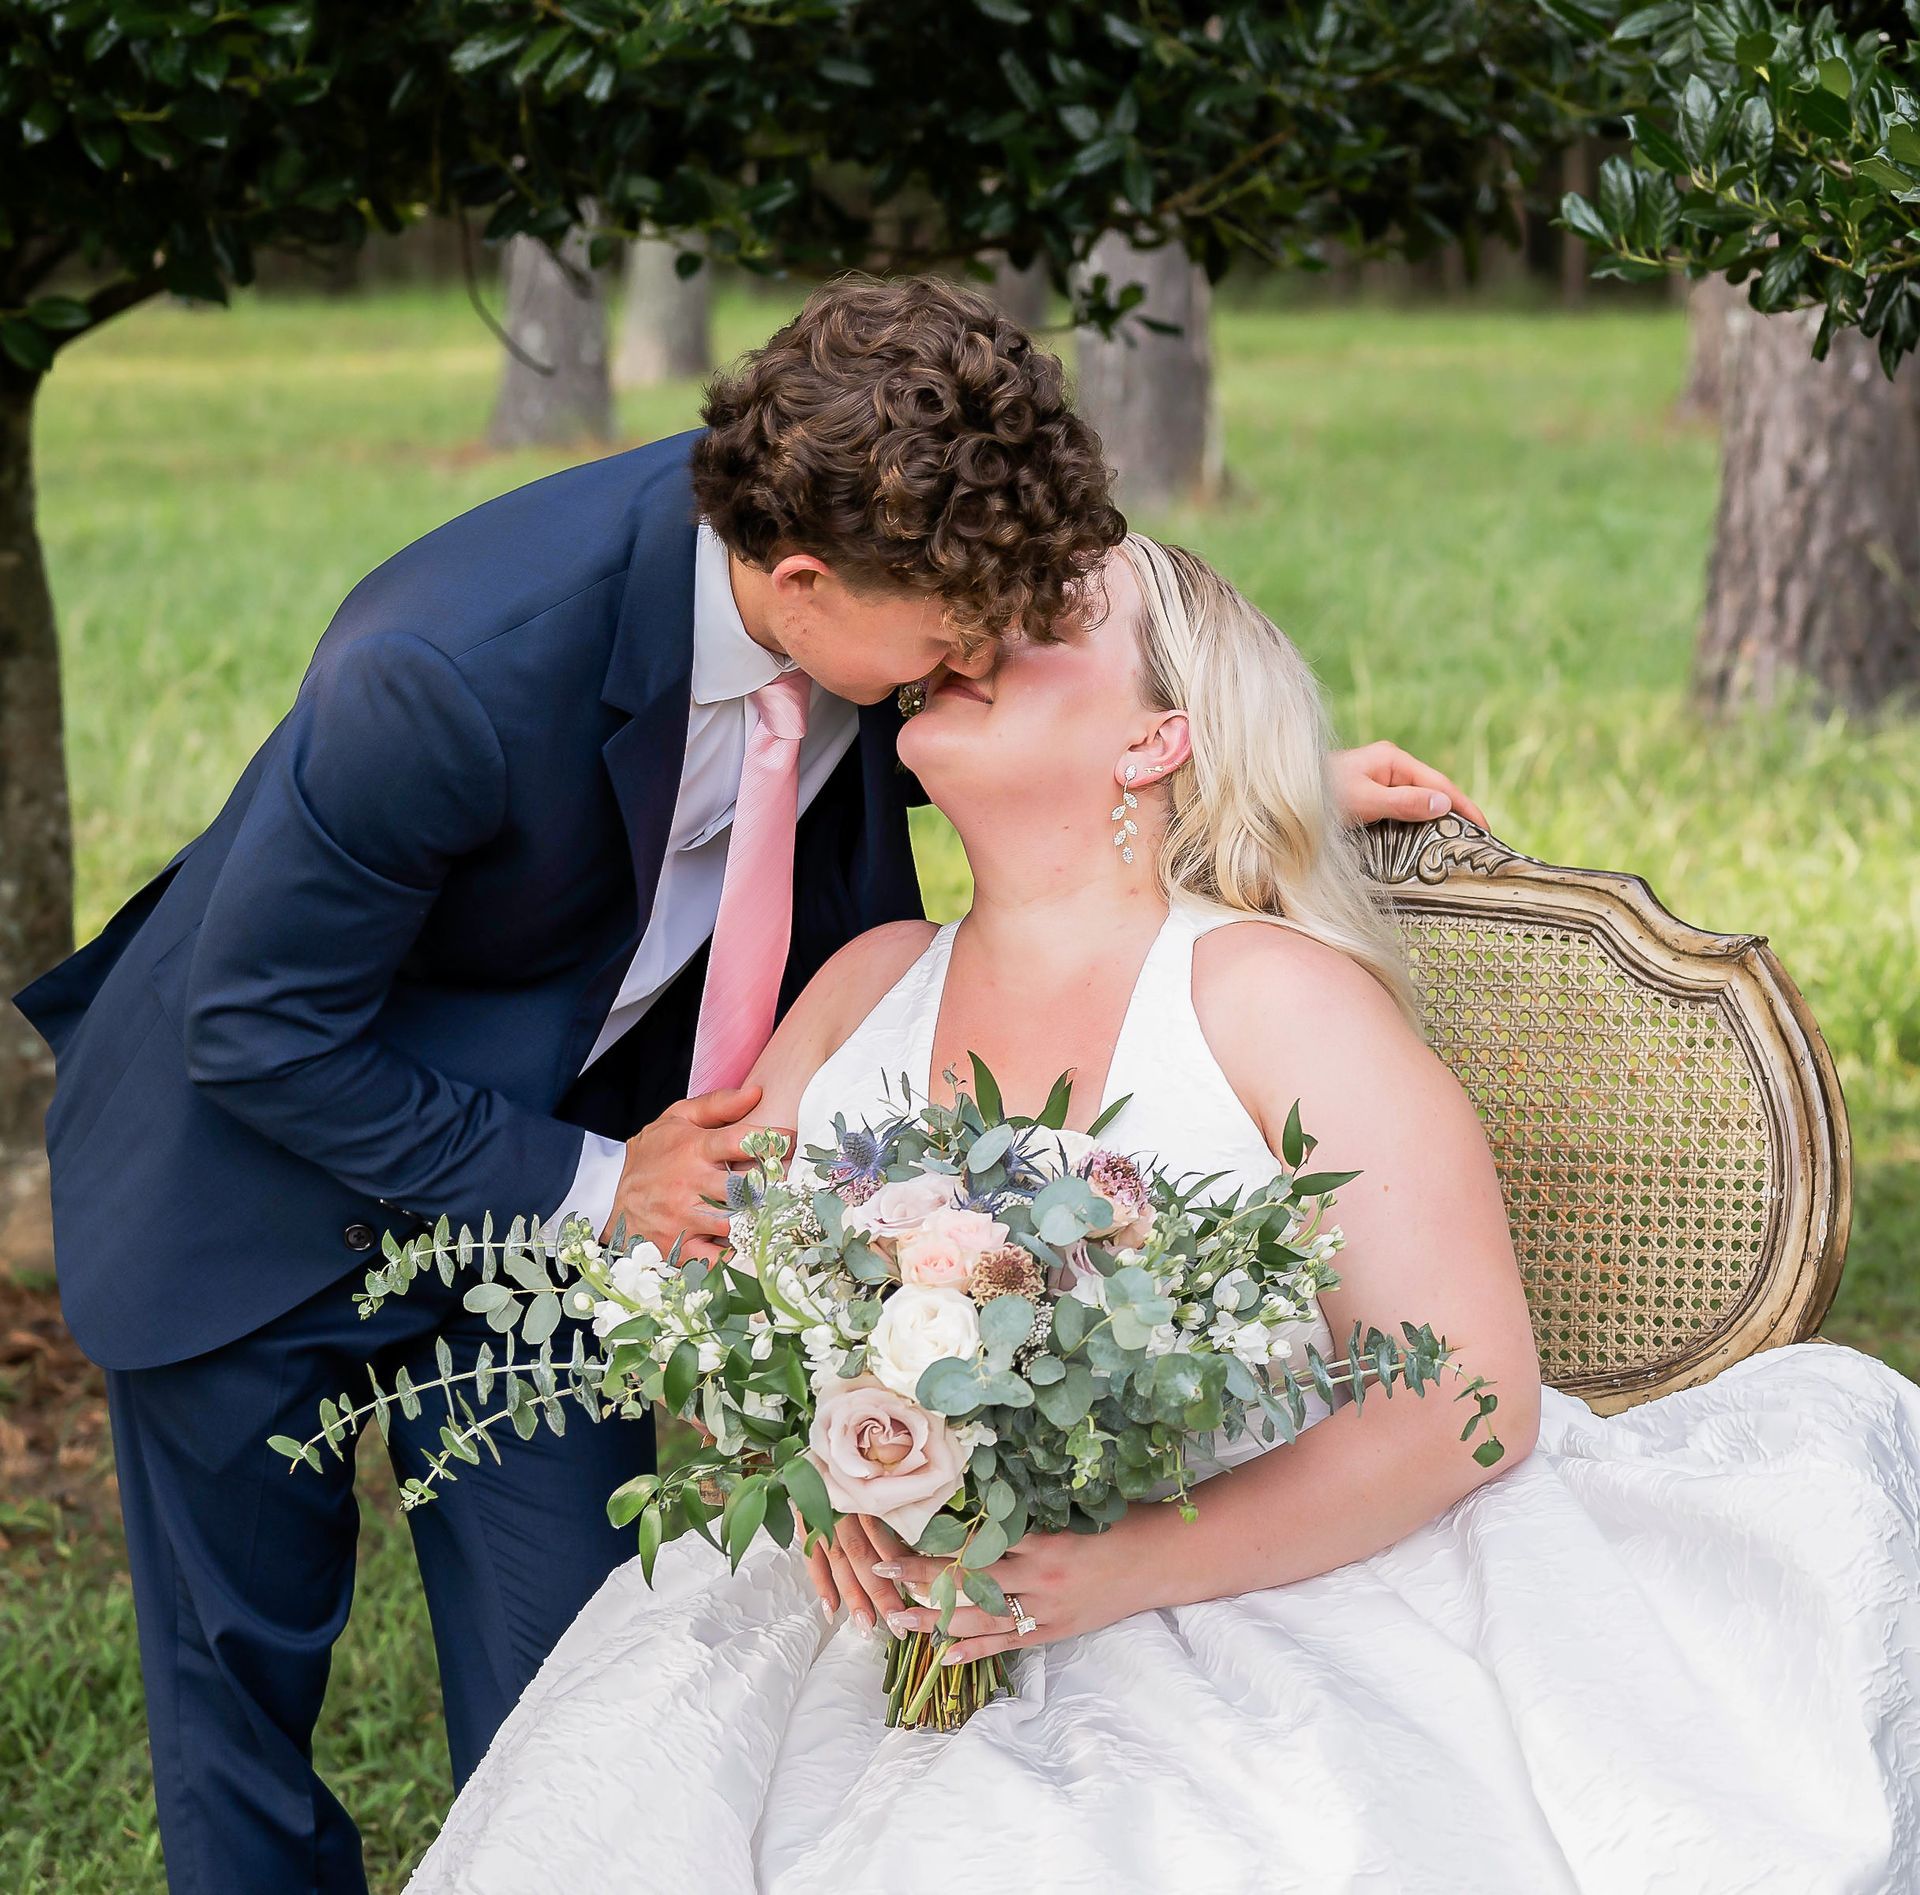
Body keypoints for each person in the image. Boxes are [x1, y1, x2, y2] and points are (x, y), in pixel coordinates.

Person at [10, 276, 1471, 1895]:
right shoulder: (442, 665)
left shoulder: (856, 601)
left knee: (578, 1699)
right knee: (241, 1698)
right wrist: (593, 1184)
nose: (975, 659)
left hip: (580, 1198)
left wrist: (1243, 776)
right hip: (253, 1180)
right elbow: (259, 1029)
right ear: (798, 581)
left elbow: (945, 812)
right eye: (960, 634)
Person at [409, 535, 1920, 1895]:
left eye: (1051, 606)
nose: (983, 619)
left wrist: (1115, 1569)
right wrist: (821, 1473)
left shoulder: (1266, 999)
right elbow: (744, 1317)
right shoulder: (863, 982)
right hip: (891, 1600)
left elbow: (1466, 1400)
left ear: (1157, 735)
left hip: (1249, 1580)